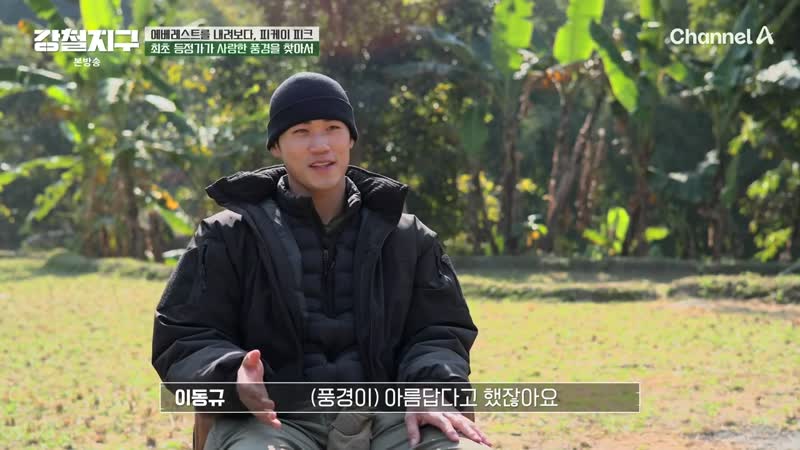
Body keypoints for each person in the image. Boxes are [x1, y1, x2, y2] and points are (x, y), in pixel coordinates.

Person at [151, 72, 491, 450]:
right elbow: (185, 334)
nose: (320, 145)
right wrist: (233, 377)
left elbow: (439, 332)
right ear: (276, 145)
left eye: (332, 128)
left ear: (350, 138)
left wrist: (428, 388)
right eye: (301, 132)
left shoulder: (409, 239)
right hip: (273, 420)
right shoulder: (227, 237)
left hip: (393, 417)